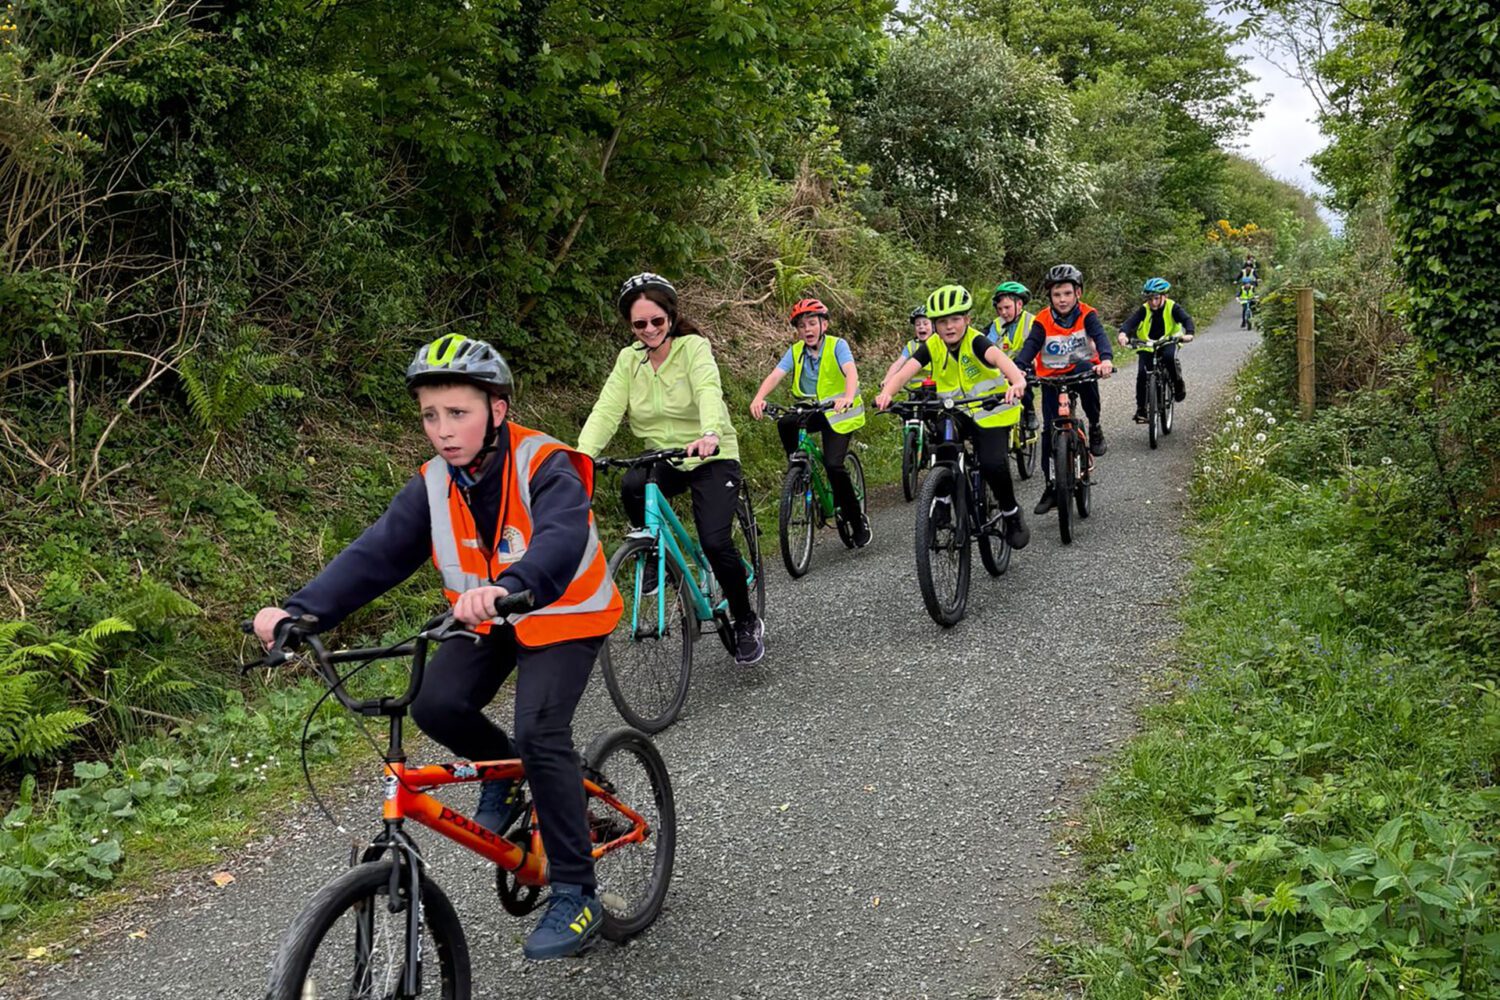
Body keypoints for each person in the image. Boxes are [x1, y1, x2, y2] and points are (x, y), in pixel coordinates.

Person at [251, 334, 622, 960]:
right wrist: (299, 610)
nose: (443, 430)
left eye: (459, 413)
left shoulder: (546, 462)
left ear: (496, 410)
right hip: (487, 619)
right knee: (433, 703)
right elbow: (377, 554)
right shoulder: (432, 484)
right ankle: (506, 780)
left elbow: (559, 537)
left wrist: (516, 584)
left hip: (562, 612)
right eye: (430, 415)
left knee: (539, 731)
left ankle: (576, 890)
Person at [577, 272, 764, 664]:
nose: (649, 330)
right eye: (639, 324)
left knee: (714, 542)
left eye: (657, 321)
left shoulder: (693, 347)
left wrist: (710, 431)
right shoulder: (629, 360)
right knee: (631, 484)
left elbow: (708, 388)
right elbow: (607, 411)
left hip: (711, 454)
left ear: (672, 316)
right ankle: (654, 560)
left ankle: (745, 618)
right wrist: (580, 457)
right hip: (664, 455)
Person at [874, 284, 1031, 549]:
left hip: (990, 411)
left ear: (967, 320)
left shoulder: (977, 341)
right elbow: (905, 372)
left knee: (993, 464)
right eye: (942, 321)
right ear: (934, 325)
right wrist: (887, 392)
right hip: (956, 411)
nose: (949, 327)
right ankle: (943, 502)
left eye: (956, 319)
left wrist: (1016, 382)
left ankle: (1010, 512)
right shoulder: (932, 345)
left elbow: (1002, 360)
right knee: (944, 446)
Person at [749, 298, 871, 546]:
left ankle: (857, 522)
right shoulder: (795, 351)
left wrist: (848, 396)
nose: (807, 329)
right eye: (802, 325)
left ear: (824, 325)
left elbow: (850, 371)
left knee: (834, 466)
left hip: (840, 413)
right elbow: (776, 375)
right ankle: (797, 469)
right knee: (785, 422)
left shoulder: (838, 345)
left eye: (812, 323)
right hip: (813, 409)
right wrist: (759, 397)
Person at [1013, 264, 1114, 516]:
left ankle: (1095, 425)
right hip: (1051, 378)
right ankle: (1051, 485)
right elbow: (1031, 345)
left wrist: (1106, 360)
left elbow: (1099, 336)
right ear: (1050, 297)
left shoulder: (1087, 314)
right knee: (1049, 431)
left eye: (1067, 293)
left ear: (1077, 293)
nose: (1062, 299)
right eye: (1057, 295)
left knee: (1087, 380)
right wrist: (1019, 368)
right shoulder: (1042, 319)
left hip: (1081, 371)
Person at [1118, 277, 1194, 421]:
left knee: (1169, 358)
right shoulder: (1144, 309)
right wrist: (1123, 334)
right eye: (1150, 298)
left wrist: (1189, 333)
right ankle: (1141, 409)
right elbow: (1130, 323)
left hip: (1168, 341)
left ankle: (1178, 384)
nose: (1153, 302)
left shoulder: (1173, 307)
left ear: (1164, 296)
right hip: (1147, 345)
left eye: (1156, 298)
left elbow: (1187, 320)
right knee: (1142, 373)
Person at [985, 281, 1038, 432]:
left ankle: (1030, 411)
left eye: (1007, 307)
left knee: (1024, 385)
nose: (1003, 313)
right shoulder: (995, 325)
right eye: (1000, 309)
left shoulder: (1033, 322)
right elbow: (986, 345)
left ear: (1020, 304)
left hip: (1027, 366)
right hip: (1001, 368)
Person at [883, 305, 935, 393]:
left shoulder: (940, 343)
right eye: (917, 324)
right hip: (916, 393)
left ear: (934, 326)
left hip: (937, 390)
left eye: (925, 323)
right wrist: (887, 379)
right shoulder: (911, 345)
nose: (921, 327)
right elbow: (898, 363)